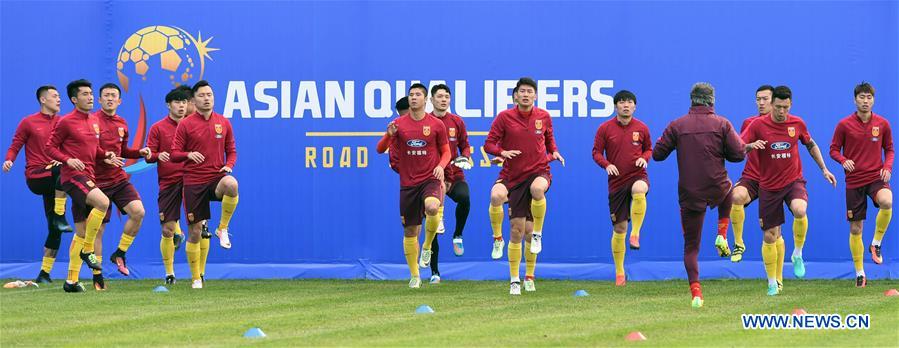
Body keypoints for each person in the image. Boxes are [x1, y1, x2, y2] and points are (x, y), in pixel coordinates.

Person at [652, 82, 745, 307]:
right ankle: (722, 233)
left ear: (691, 100)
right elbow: (739, 154)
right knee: (729, 187)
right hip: (717, 186)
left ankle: (696, 293)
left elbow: (657, 155)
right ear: (712, 101)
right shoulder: (722, 123)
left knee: (691, 247)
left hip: (689, 192)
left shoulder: (677, 125)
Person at [742, 85, 837, 296]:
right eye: (777, 107)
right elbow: (739, 147)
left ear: (790, 105)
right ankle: (772, 282)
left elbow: (811, 145)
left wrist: (824, 169)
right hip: (768, 186)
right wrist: (751, 146)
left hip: (793, 181)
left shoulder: (797, 123)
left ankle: (797, 253)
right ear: (771, 104)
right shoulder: (757, 125)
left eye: (785, 107)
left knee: (800, 209)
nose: (781, 112)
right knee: (770, 236)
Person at [485, 77, 564, 295]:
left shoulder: (544, 116)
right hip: (513, 176)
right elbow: (489, 144)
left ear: (535, 95)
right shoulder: (504, 117)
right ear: (515, 96)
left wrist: (554, 151)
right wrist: (502, 153)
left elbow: (550, 141)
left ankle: (536, 246)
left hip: (539, 171)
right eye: (522, 91)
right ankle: (513, 276)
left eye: (530, 91)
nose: (526, 94)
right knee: (516, 229)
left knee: (538, 191)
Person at [45, 79, 119, 292]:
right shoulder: (66, 121)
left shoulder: (94, 121)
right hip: (72, 177)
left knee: (81, 232)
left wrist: (106, 155)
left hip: (89, 176)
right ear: (74, 99)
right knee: (103, 202)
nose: (90, 97)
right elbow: (50, 148)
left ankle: (71, 281)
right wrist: (67, 160)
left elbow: (94, 149)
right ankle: (88, 251)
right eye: (85, 94)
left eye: (91, 93)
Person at [376, 83, 450, 288]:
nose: (414, 97)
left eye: (418, 94)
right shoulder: (398, 124)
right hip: (408, 183)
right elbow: (380, 149)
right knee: (410, 231)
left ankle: (427, 246)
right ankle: (415, 275)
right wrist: (388, 135)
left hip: (430, 179)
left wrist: (441, 167)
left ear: (425, 99)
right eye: (411, 95)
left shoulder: (436, 124)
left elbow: (446, 152)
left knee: (433, 207)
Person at [2, 85, 74, 284]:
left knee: (55, 229)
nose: (59, 99)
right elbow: (16, 144)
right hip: (36, 176)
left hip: (56, 179)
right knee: (62, 170)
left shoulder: (63, 122)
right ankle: (61, 215)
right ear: (43, 100)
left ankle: (44, 273)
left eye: (60, 96)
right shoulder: (29, 122)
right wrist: (9, 160)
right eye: (54, 96)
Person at [171, 80, 239, 289]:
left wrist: (228, 165)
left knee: (232, 184)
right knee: (195, 231)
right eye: (202, 95)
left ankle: (222, 228)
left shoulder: (223, 122)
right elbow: (174, 154)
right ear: (194, 100)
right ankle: (196, 278)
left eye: (209, 94)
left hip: (216, 179)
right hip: (193, 182)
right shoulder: (186, 124)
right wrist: (188, 154)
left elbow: (232, 151)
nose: (206, 98)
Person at [829, 82, 893, 287]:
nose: (865, 101)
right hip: (854, 181)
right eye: (862, 97)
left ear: (873, 100)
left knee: (887, 201)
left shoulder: (882, 124)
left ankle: (875, 244)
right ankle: (859, 273)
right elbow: (833, 149)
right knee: (856, 229)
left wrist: (888, 167)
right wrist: (842, 160)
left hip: (876, 177)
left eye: (869, 98)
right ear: (855, 99)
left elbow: (890, 149)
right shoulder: (844, 125)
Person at [90, 83, 151, 289]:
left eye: (113, 95)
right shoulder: (92, 121)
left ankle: (120, 252)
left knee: (138, 212)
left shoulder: (122, 123)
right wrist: (105, 159)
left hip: (118, 180)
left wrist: (139, 152)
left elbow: (123, 150)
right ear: (99, 100)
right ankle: (98, 277)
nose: (109, 98)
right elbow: (87, 150)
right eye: (105, 95)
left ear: (119, 100)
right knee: (99, 231)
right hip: (97, 184)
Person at [592, 90, 651, 286]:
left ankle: (636, 233)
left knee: (640, 189)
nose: (626, 105)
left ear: (635, 106)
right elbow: (596, 152)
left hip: (637, 175)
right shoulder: (604, 128)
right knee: (619, 228)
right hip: (616, 182)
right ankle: (619, 273)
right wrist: (607, 165)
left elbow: (649, 148)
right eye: (622, 102)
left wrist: (644, 157)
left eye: (629, 102)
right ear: (616, 106)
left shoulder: (642, 128)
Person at [147, 87, 191, 284]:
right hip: (169, 182)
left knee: (199, 227)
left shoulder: (193, 126)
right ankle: (170, 274)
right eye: (177, 102)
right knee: (167, 230)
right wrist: (157, 155)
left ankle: (198, 275)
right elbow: (149, 155)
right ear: (168, 105)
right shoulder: (158, 128)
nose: (181, 106)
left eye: (183, 102)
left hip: (192, 180)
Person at [728, 85, 775, 262]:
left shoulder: (786, 124)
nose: (761, 103)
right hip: (752, 177)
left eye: (765, 99)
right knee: (736, 196)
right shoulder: (750, 123)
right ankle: (739, 243)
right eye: (758, 99)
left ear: (774, 100)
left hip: (775, 181)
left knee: (773, 232)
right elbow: (739, 149)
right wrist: (749, 146)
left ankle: (777, 278)